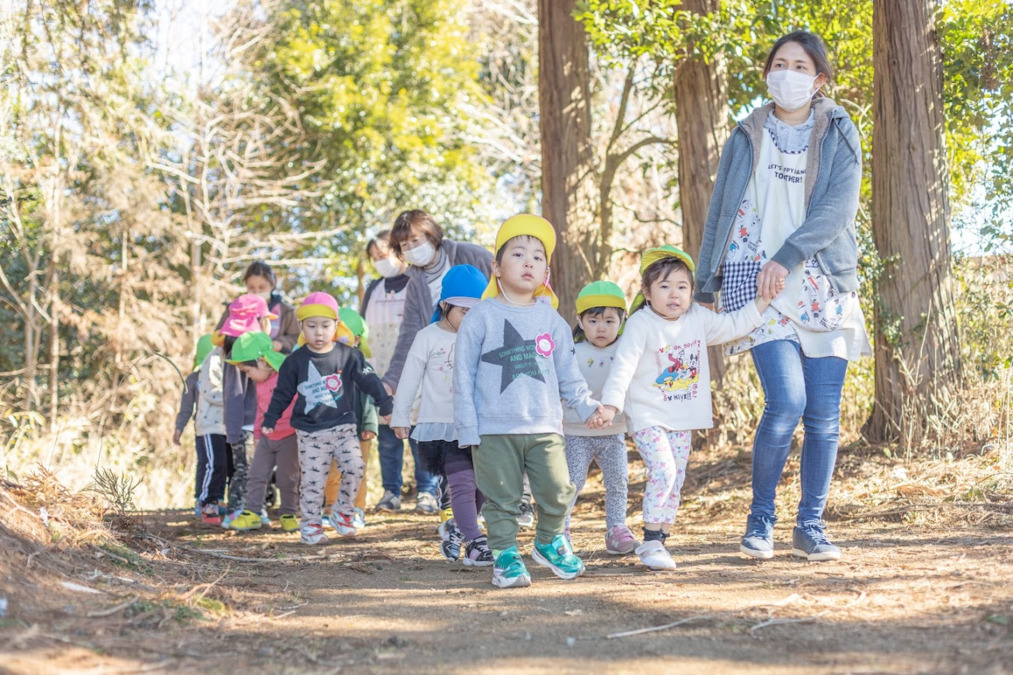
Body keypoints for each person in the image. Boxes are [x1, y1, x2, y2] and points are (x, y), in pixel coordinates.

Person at [695, 30, 869, 562]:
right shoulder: (746, 134)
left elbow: (837, 209)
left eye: (800, 66)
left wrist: (787, 256)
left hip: (821, 281)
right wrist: (705, 284)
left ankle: (810, 525)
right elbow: (720, 211)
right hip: (758, 283)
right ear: (768, 72)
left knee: (822, 415)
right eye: (779, 63)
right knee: (786, 401)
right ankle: (761, 519)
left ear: (818, 79)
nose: (787, 73)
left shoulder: (839, 128)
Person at [598, 246, 775, 570]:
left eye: (682, 286)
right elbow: (622, 367)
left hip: (682, 417)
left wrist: (764, 300)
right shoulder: (641, 324)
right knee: (664, 470)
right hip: (648, 414)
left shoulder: (697, 318)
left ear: (692, 292)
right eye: (664, 287)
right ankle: (650, 541)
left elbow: (734, 324)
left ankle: (661, 537)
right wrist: (611, 405)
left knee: (676, 477)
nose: (674, 294)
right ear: (647, 293)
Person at [454, 214, 604, 589]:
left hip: (544, 426)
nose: (528, 262)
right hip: (493, 429)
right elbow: (462, 374)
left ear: (546, 272)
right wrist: (467, 426)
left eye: (537, 257)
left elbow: (568, 373)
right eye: (518, 254)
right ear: (496, 268)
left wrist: (587, 407)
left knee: (558, 490)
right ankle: (505, 555)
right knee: (502, 499)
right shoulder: (481, 317)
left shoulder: (550, 319)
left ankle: (549, 541)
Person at [380, 211, 496, 515]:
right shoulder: (415, 281)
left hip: (488, 358)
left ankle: (513, 498)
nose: (412, 249)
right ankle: (456, 506)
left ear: (432, 236)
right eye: (404, 246)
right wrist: (391, 380)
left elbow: (505, 287)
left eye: (416, 240)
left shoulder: (470, 255)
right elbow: (410, 336)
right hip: (446, 369)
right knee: (451, 437)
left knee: (493, 435)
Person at [262, 292, 393, 545]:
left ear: (336, 325)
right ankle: (310, 525)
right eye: (311, 326)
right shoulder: (295, 361)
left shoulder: (349, 355)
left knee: (355, 467)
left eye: (325, 326)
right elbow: (282, 394)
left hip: (344, 426)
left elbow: (370, 382)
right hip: (310, 433)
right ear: (301, 327)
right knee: (313, 481)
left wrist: (385, 406)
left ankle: (343, 513)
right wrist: (271, 418)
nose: (319, 333)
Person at [392, 265, 493, 567]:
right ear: (444, 305)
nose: (471, 319)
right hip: (443, 426)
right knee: (461, 483)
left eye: (477, 312)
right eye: (464, 311)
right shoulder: (427, 337)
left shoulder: (484, 337)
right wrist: (401, 416)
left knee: (482, 488)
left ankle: (457, 529)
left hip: (480, 426)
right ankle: (475, 542)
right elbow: (409, 378)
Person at [361, 229, 441, 515]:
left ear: (398, 253)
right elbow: (362, 331)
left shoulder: (417, 283)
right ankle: (390, 492)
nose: (379, 261)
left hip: (419, 370)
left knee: (422, 434)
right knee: (388, 436)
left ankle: (427, 493)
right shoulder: (372, 289)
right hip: (382, 371)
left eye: (383, 255)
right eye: (374, 258)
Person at [562, 282, 637, 555]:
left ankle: (617, 529)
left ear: (622, 321)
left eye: (609, 320)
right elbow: (565, 388)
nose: (601, 328)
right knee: (571, 483)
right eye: (593, 320)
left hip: (613, 431)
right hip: (575, 431)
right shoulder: (572, 352)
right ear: (580, 321)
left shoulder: (627, 352)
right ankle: (561, 530)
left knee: (618, 481)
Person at [226, 331, 300, 533]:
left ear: (260, 362)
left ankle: (288, 514)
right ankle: (252, 513)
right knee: (256, 475)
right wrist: (257, 436)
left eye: (247, 371)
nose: (247, 376)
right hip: (267, 437)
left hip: (289, 436)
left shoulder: (286, 376)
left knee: (288, 478)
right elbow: (260, 411)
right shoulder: (259, 385)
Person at [215, 293, 277, 531]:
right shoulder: (238, 358)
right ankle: (236, 510)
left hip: (260, 423)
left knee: (260, 469)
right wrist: (234, 428)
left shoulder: (261, 355)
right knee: (246, 469)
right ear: (258, 322)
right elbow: (233, 396)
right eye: (266, 319)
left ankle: (256, 507)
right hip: (245, 425)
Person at [322, 307, 378, 530]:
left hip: (358, 431)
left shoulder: (364, 367)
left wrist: (370, 425)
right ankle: (330, 508)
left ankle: (356, 510)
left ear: (357, 340)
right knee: (332, 470)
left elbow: (370, 399)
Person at [172, 334, 224, 524]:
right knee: (206, 464)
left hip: (223, 426)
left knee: (221, 464)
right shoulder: (194, 378)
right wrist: (179, 427)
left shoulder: (224, 375)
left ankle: (217, 499)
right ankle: (201, 499)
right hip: (203, 429)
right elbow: (186, 407)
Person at [239, 260, 301, 354]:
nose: (257, 292)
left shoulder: (286, 311)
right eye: (251, 288)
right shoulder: (236, 308)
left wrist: (280, 343)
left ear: (272, 284)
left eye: (262, 287)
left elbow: (297, 338)